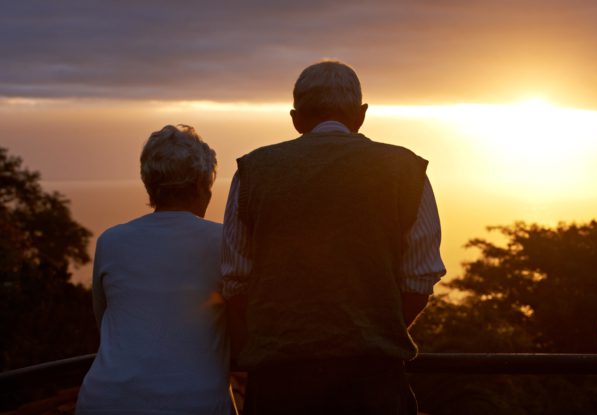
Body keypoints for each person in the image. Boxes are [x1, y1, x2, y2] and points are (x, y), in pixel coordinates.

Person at [221, 60, 446, 414]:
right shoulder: (407, 171)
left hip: (280, 384)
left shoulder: (252, 173)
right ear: (361, 115)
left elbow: (235, 282)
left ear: (295, 118)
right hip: (372, 381)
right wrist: (371, 330)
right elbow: (419, 280)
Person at [76, 125, 232, 414]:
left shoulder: (110, 241)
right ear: (202, 187)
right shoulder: (224, 241)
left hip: (105, 399)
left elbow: (106, 323)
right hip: (195, 403)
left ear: (149, 185)